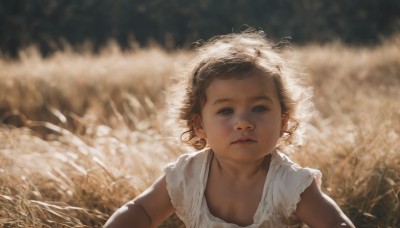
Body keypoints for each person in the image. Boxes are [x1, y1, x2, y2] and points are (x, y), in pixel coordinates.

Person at [104, 30, 355, 227]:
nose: (243, 122)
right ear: (199, 125)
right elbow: (142, 212)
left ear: (284, 121)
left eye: (259, 108)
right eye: (226, 111)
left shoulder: (290, 184)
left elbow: (335, 223)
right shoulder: (188, 176)